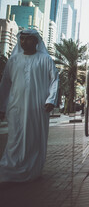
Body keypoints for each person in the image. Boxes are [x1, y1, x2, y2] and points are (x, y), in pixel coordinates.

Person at [0, 29, 59, 182]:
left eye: (28, 39)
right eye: (22, 39)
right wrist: (1, 107)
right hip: (16, 107)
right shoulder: (14, 60)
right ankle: (9, 171)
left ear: (36, 41)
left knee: (34, 139)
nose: (24, 42)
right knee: (14, 139)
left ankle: (32, 171)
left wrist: (50, 100)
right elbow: (5, 84)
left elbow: (54, 80)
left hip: (37, 108)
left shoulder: (45, 59)